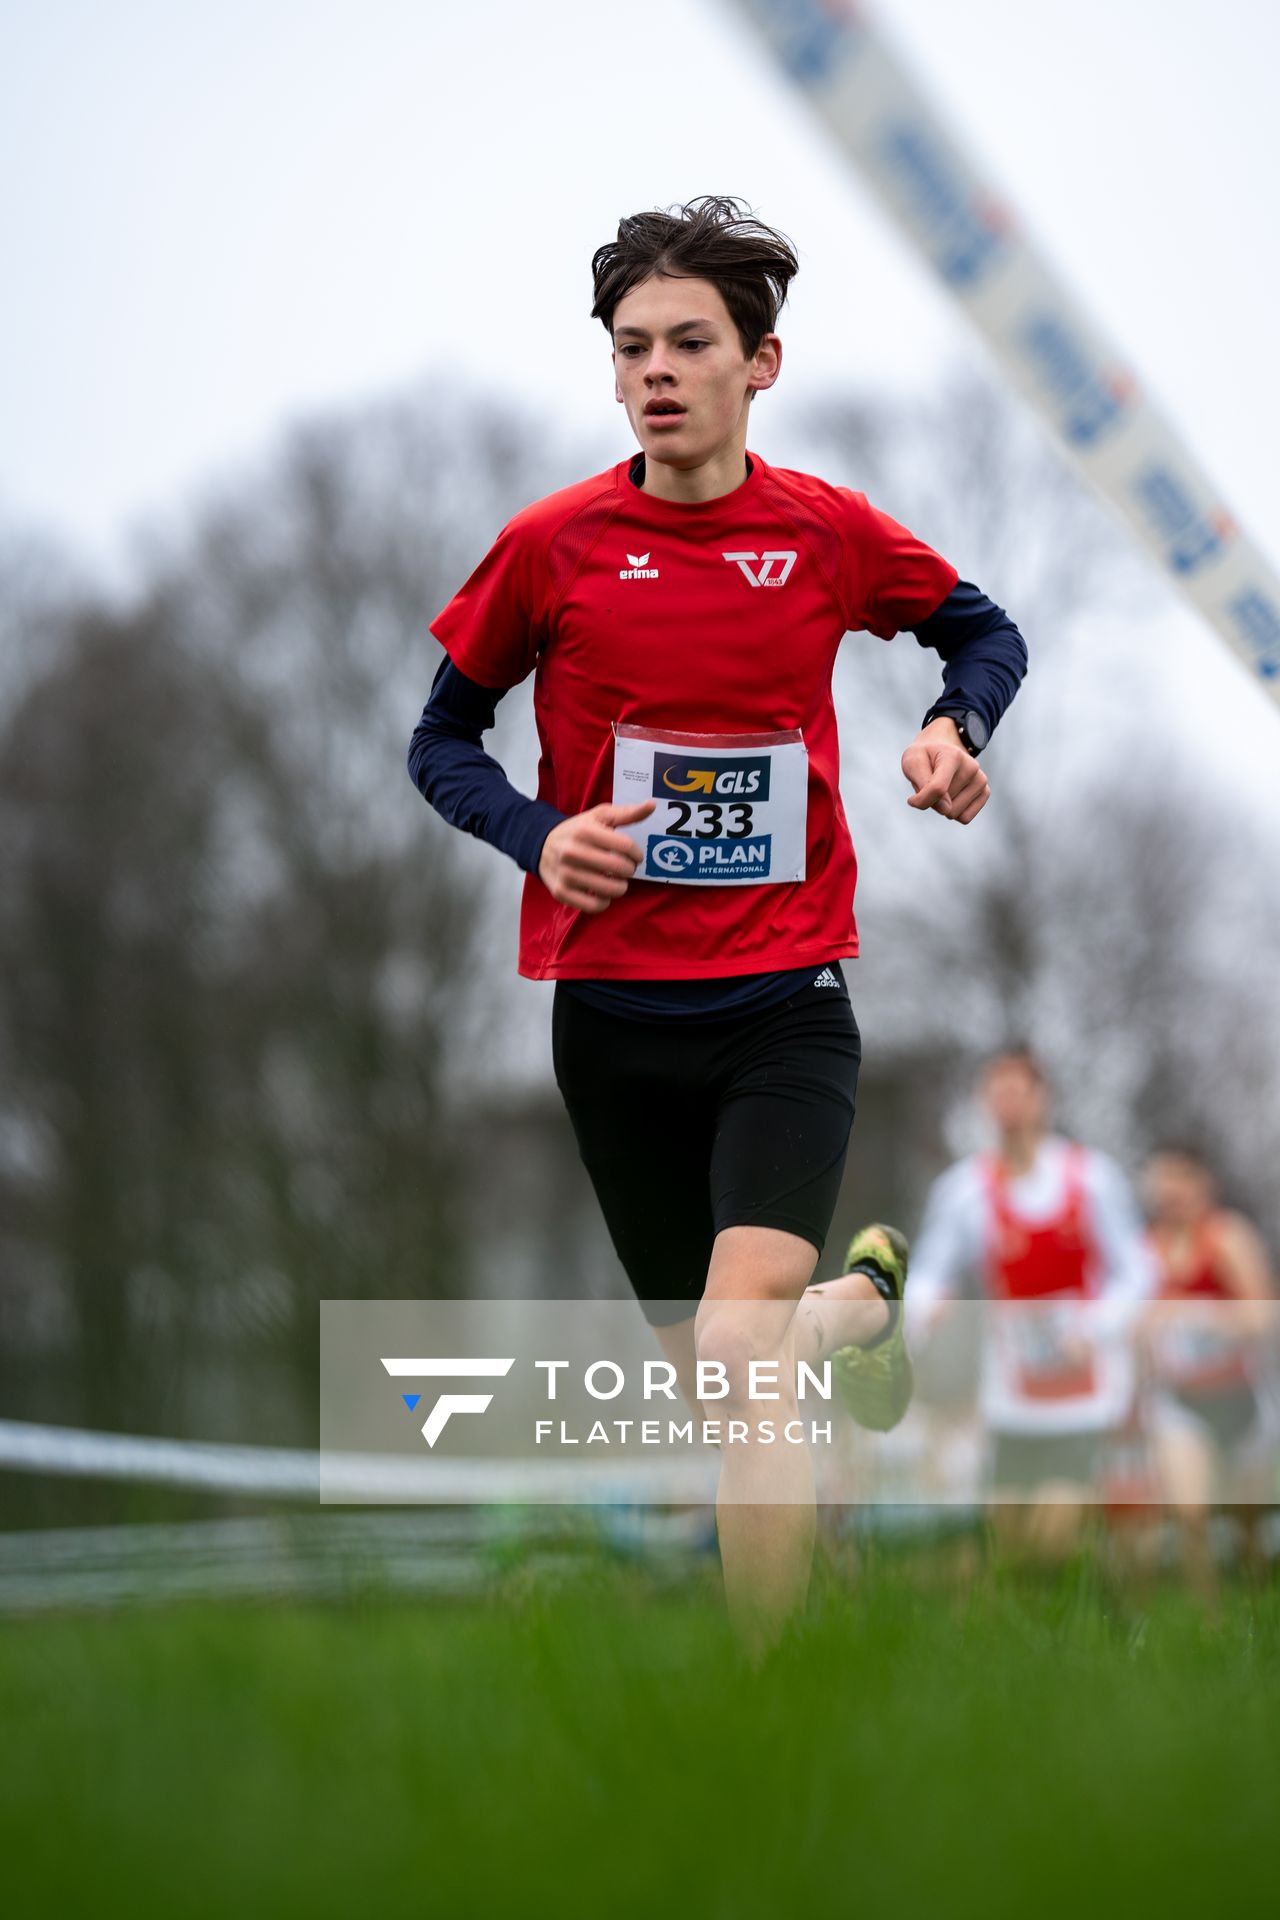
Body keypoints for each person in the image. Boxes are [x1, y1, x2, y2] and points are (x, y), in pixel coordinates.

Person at [407, 196, 1028, 1654]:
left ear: (764, 364)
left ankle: (770, 1698)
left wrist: (955, 725)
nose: (658, 374)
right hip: (612, 1022)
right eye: (633, 350)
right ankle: (854, 1312)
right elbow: (439, 742)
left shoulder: (822, 533)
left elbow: (984, 630)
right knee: (725, 1374)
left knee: (744, 1352)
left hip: (784, 1007)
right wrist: (535, 833)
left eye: (692, 344)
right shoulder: (552, 547)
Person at [906, 1048, 1155, 1561]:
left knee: (1054, 1534)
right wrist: (926, 1309)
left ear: (1044, 1099)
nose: (1008, 1104)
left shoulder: (1091, 1178)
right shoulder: (963, 1190)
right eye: (997, 1093)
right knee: (1009, 1537)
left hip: (1085, 1386)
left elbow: (1138, 1269)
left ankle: (1086, 1617)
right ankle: (1038, 1627)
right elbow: (929, 1269)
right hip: (1010, 1390)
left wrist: (1098, 1326)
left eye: (1019, 1091)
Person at [1140, 1144, 1277, 1601]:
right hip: (1181, 1403)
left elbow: (1262, 1318)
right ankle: (1209, 1627)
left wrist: (1195, 1313)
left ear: (1202, 1185)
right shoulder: (1144, 1250)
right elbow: (1130, 1327)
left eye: (1180, 1179)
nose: (1170, 1190)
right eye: (1162, 1180)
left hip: (1240, 1399)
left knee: (1248, 1530)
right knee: (1191, 1517)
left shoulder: (1226, 1237)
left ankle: (1258, 1619)